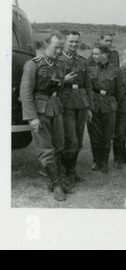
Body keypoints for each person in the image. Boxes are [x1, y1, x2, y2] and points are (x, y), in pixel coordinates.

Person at [19, 32, 67, 201]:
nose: (59, 51)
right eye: (56, 47)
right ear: (47, 44)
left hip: (56, 109)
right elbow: (25, 93)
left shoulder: (60, 65)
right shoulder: (33, 64)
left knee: (60, 145)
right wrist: (32, 117)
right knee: (45, 149)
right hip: (40, 111)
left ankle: (56, 179)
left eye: (62, 48)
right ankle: (57, 184)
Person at [59, 31, 93, 191]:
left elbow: (88, 86)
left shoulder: (83, 61)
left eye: (76, 42)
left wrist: (89, 107)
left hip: (82, 103)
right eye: (71, 42)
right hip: (65, 104)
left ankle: (71, 171)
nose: (74, 45)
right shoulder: (58, 60)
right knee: (70, 139)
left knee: (78, 140)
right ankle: (65, 172)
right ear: (65, 41)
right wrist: (63, 80)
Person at [87, 45, 122, 173]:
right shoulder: (90, 70)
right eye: (93, 54)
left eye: (96, 54)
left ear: (105, 55)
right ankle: (96, 161)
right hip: (94, 105)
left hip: (109, 106)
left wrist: (113, 103)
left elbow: (119, 90)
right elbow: (88, 89)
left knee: (107, 136)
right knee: (94, 136)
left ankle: (105, 162)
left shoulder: (116, 70)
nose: (93, 56)